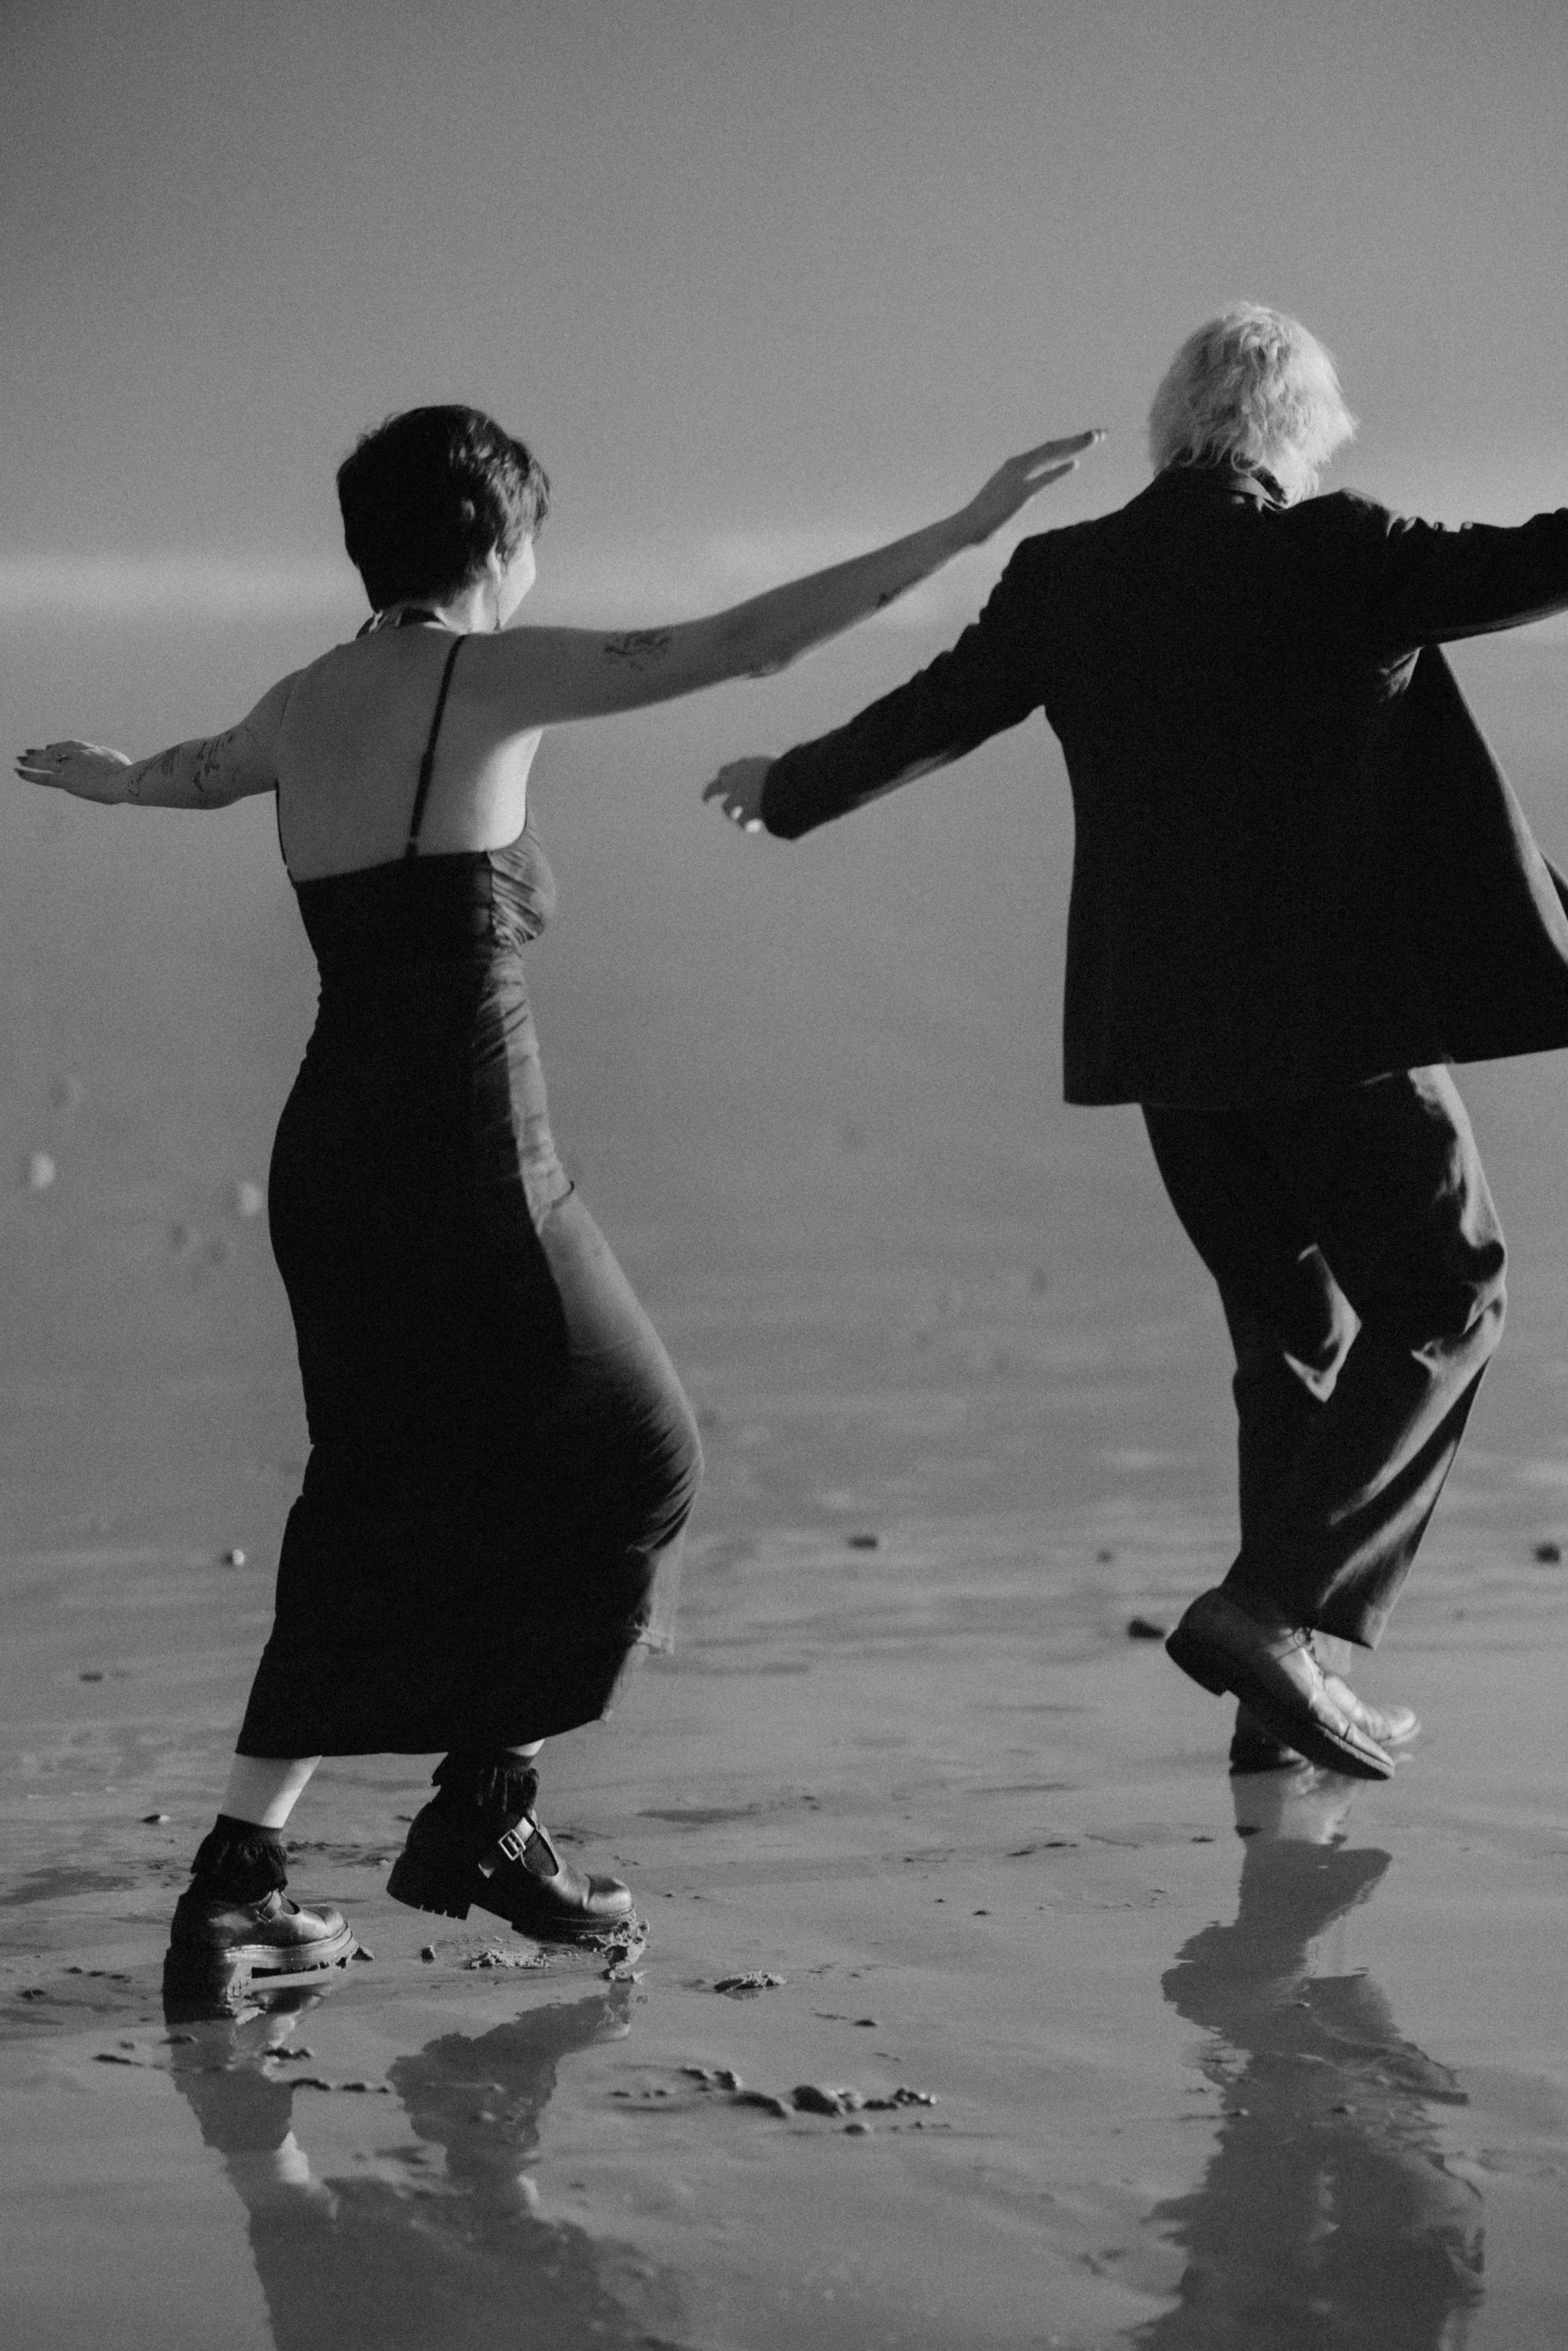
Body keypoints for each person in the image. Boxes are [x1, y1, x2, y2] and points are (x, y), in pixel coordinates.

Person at [17, 404, 1097, 1992]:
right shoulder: (480, 672)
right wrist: (950, 534)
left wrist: (111, 781)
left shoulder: (306, 698)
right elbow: (738, 643)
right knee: (639, 1450)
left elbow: (193, 777)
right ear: (497, 543)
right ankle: (484, 1814)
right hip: (468, 1152)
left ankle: (242, 1879)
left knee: (371, 1491)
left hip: (333, 1156)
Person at [706, 305, 1568, 1781]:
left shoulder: (1068, 575)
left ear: (1175, 425)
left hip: (1165, 1045)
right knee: (1446, 1290)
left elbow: (935, 713)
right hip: (1341, 1027)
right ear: (1293, 432)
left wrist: (790, 783)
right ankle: (1275, 1618)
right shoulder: (1337, 546)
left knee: (1285, 1346)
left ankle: (1270, 1714)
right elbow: (1535, 560)